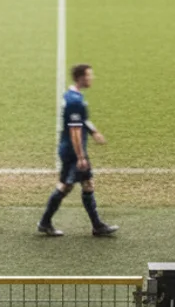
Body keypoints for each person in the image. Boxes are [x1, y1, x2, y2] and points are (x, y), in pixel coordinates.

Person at [37, 63, 119, 237]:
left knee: (77, 185)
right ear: (81, 78)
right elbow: (75, 130)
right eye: (89, 75)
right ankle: (95, 226)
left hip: (68, 149)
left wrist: (93, 132)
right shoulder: (75, 101)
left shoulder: (72, 95)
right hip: (74, 152)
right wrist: (81, 157)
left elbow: (81, 120)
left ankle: (46, 222)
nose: (92, 78)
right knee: (74, 185)